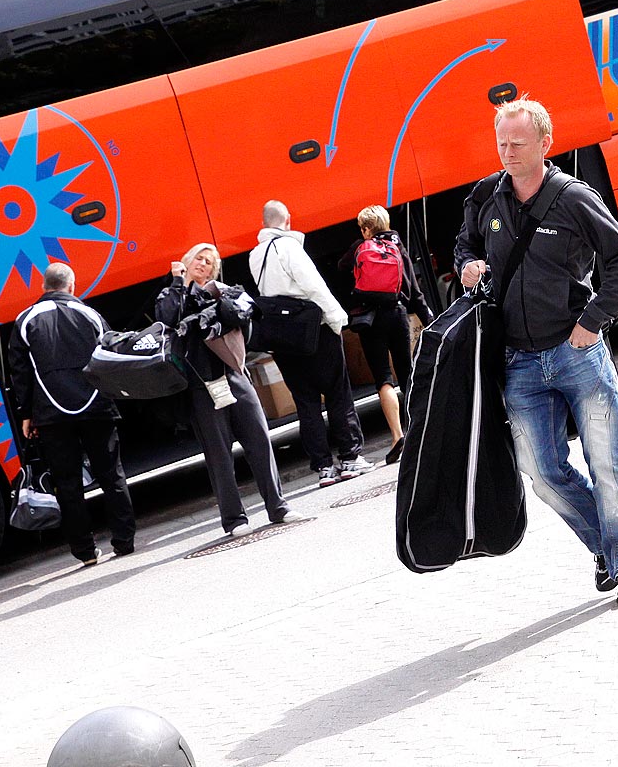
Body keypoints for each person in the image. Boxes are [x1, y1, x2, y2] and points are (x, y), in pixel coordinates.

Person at [454, 96, 618, 604]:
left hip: (576, 352)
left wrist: (592, 322)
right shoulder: (488, 198)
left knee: (607, 461)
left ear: (546, 143)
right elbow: (465, 245)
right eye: (502, 143)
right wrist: (469, 265)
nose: (508, 152)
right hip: (518, 360)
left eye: (518, 143)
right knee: (541, 470)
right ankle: (607, 547)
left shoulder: (574, 198)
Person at [156, 242, 303, 536]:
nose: (203, 265)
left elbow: (247, 327)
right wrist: (178, 281)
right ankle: (235, 520)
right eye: (199, 258)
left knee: (260, 440)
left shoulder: (223, 292)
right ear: (187, 261)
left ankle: (278, 507)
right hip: (202, 386)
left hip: (235, 376)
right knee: (219, 454)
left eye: (209, 262)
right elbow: (166, 319)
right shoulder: (173, 293)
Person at [8, 262, 136, 567]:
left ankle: (85, 551)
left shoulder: (25, 320)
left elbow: (20, 372)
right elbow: (109, 357)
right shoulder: (89, 314)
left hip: (51, 415)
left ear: (43, 287)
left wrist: (26, 413)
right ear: (72, 286)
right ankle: (124, 541)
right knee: (111, 475)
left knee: (67, 484)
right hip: (96, 406)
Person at [251, 200, 375, 486]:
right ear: (288, 220)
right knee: (337, 393)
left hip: (283, 340)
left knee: (306, 403)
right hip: (314, 331)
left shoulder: (255, 256)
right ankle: (350, 458)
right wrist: (337, 319)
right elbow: (314, 286)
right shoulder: (290, 248)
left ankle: (323, 468)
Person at [339, 204, 433, 465]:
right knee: (407, 372)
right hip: (398, 315)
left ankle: (396, 436)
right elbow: (414, 291)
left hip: (371, 321)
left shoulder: (360, 246)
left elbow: (341, 267)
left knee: (383, 378)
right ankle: (421, 430)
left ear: (367, 228)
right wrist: (430, 321)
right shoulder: (397, 247)